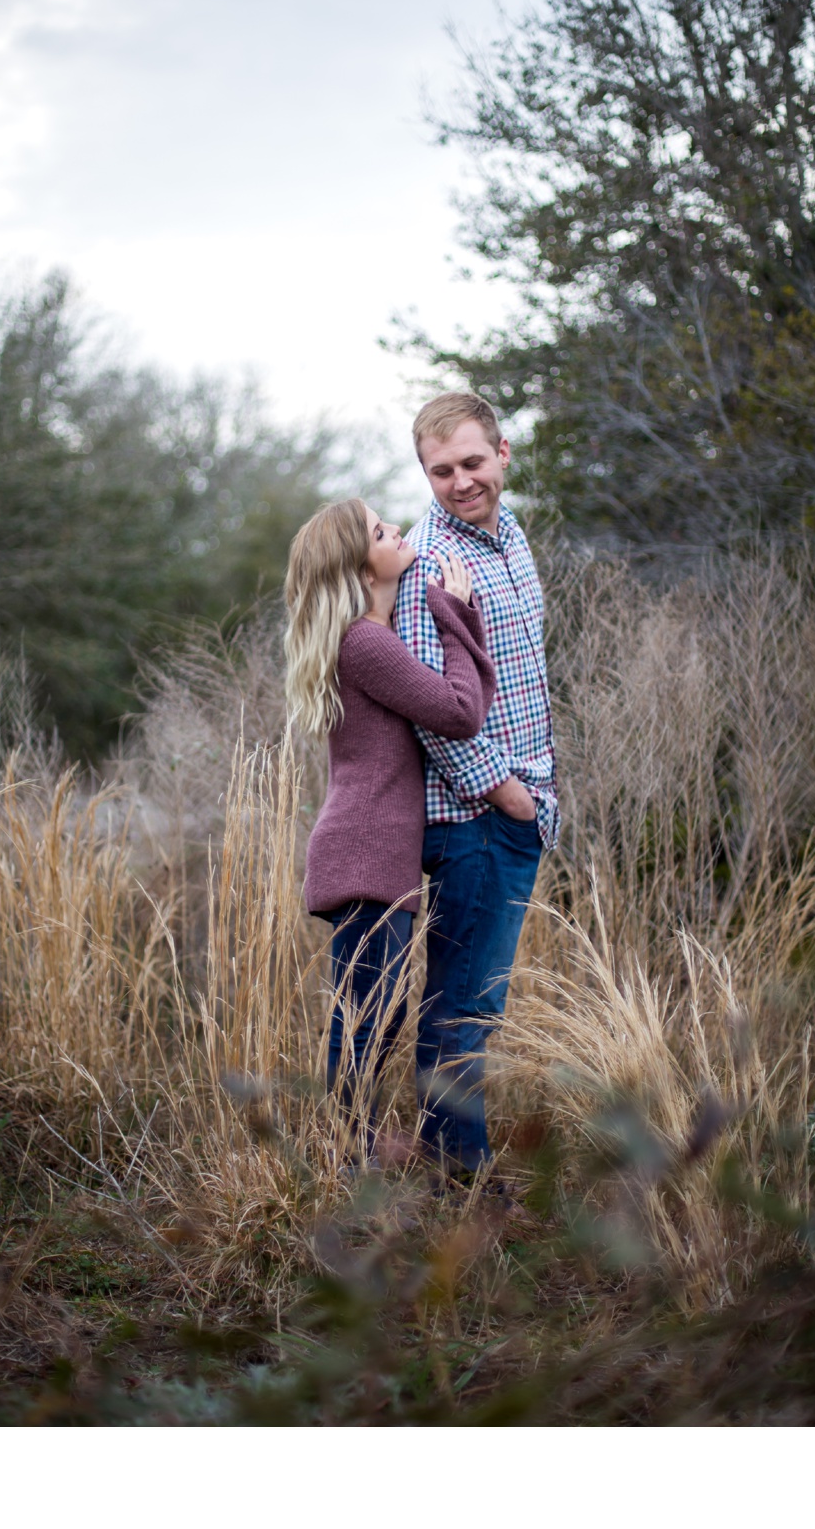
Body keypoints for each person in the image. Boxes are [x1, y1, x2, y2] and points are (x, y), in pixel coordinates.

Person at [286, 498, 494, 1164]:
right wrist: (454, 614)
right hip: (366, 854)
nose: (397, 530)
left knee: (375, 1014)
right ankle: (351, 1159)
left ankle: (358, 1150)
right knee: (367, 1018)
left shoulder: (367, 639)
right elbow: (460, 713)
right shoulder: (367, 642)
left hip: (368, 853)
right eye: (381, 531)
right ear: (360, 565)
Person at [392, 391, 559, 1183]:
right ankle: (464, 1183)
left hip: (522, 809)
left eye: (472, 462)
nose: (459, 482)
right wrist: (508, 796)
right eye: (440, 471)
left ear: (503, 453)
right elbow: (433, 709)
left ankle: (447, 1164)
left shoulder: (512, 538)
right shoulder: (429, 560)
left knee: (474, 1004)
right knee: (463, 1008)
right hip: (473, 820)